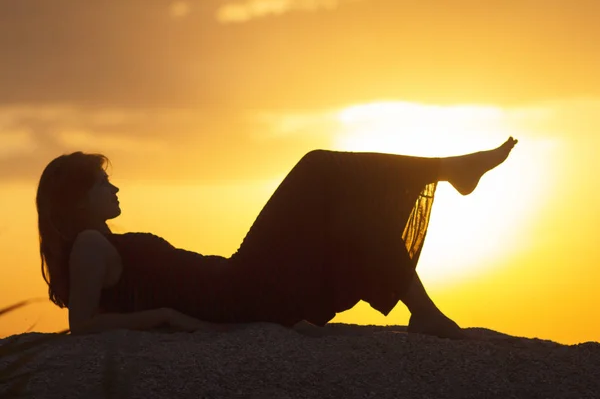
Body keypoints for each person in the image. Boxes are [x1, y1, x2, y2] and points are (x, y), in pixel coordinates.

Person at [36, 137, 518, 339]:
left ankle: (426, 313)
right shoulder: (89, 245)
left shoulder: (99, 243)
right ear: (77, 201)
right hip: (239, 288)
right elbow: (83, 327)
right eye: (103, 184)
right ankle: (448, 169)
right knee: (319, 166)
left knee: (351, 216)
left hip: (238, 284)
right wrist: (165, 316)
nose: (115, 186)